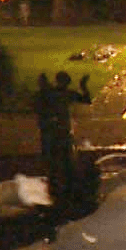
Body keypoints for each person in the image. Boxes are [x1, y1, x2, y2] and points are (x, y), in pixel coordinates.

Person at [33, 71, 91, 209]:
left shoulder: (56, 93)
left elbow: (86, 100)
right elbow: (86, 100)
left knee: (59, 161)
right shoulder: (62, 94)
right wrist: (83, 86)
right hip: (57, 133)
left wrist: (83, 86)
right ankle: (61, 189)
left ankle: (59, 189)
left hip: (57, 133)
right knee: (60, 161)